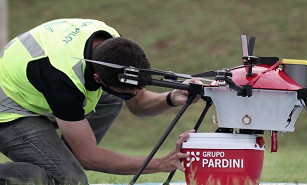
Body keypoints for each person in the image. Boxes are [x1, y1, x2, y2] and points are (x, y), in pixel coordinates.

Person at [0, 18, 201, 185]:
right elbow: (88, 157)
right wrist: (160, 164)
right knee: (69, 180)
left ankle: (64, 160)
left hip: (35, 85)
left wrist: (171, 98)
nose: (136, 94)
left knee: (112, 99)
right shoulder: (62, 77)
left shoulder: (113, 44)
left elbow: (138, 103)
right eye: (127, 92)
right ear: (98, 79)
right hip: (8, 108)